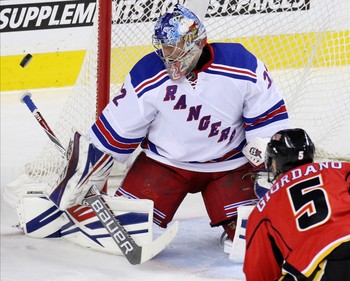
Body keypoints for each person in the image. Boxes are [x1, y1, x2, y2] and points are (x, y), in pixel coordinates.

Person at [47, 3, 290, 249]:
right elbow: (113, 134)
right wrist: (82, 178)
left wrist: (267, 169)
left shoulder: (243, 66)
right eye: (164, 48)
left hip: (229, 166)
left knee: (253, 237)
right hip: (165, 165)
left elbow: (268, 124)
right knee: (127, 232)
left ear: (198, 42)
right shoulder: (148, 74)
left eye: (176, 48)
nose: (169, 56)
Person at [243, 128, 350, 281]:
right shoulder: (341, 170)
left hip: (322, 262)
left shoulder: (263, 208)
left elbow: (260, 273)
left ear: (274, 162)